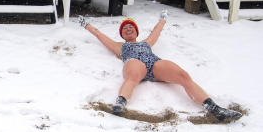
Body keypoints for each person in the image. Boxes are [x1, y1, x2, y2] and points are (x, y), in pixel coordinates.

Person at [79, 12, 241, 121]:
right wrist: (86, 25)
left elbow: (156, 32)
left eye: (131, 27)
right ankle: (120, 103)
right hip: (136, 63)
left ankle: (214, 108)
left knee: (183, 76)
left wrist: (163, 19)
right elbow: (100, 35)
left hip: (154, 63)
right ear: (122, 35)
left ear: (136, 32)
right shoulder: (119, 46)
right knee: (133, 75)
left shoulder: (146, 42)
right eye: (125, 29)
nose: (128, 29)